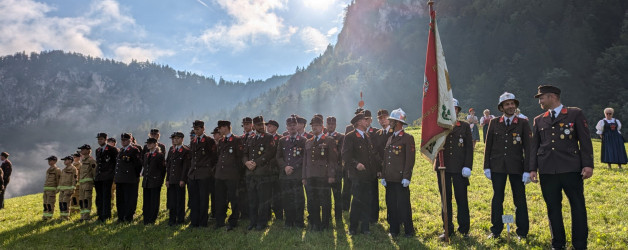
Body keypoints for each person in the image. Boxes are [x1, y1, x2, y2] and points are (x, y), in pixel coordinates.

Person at [529, 85, 594, 250]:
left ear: (552, 97)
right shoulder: (539, 119)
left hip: (571, 169)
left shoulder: (574, 114)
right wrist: (532, 169)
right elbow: (534, 146)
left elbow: (585, 141)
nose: (540, 102)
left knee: (578, 207)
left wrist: (587, 165)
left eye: (541, 98)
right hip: (547, 170)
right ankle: (557, 244)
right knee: (553, 208)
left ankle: (579, 245)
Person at [484, 92, 530, 240]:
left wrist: (528, 169)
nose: (510, 106)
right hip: (497, 166)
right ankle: (496, 230)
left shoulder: (523, 123)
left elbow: (528, 148)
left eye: (512, 103)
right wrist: (486, 166)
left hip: (517, 167)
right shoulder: (494, 122)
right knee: (497, 198)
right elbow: (488, 146)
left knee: (520, 199)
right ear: (501, 107)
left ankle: (522, 232)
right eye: (507, 104)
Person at [435, 99, 473, 240]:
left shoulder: (464, 126)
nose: (452, 111)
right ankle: (447, 228)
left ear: (457, 110)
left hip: (459, 168)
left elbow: (469, 148)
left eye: (454, 108)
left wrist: (468, 166)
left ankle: (464, 229)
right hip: (442, 166)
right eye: (449, 108)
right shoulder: (438, 126)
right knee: (445, 199)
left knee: (461, 199)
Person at [342, 112, 381, 235]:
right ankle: (353, 228)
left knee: (367, 201)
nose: (367, 122)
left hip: (368, 175)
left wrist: (377, 170)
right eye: (364, 120)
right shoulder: (350, 136)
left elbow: (371, 157)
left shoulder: (367, 136)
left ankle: (365, 227)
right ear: (358, 122)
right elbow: (346, 155)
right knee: (357, 201)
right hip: (357, 176)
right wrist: (356, 164)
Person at [380, 108, 415, 238]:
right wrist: (384, 175)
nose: (389, 122)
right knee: (391, 205)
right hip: (390, 178)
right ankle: (394, 229)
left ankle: (409, 230)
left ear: (398, 122)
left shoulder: (407, 138)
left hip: (400, 178)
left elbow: (409, 160)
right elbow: (386, 159)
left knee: (404, 205)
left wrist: (407, 177)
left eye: (392, 120)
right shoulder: (390, 138)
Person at [302, 116, 338, 231]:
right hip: (311, 175)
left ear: (322, 127)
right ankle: (315, 223)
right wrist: (304, 176)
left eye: (316, 126)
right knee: (312, 200)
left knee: (325, 200)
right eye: (312, 126)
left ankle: (325, 223)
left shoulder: (329, 140)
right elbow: (305, 161)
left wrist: (332, 175)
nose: (314, 128)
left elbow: (333, 160)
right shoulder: (308, 141)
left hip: (324, 175)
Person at [242, 116, 277, 231]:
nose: (262, 127)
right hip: (250, 174)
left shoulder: (268, 137)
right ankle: (253, 221)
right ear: (254, 126)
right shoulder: (250, 138)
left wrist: (255, 163)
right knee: (252, 199)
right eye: (258, 125)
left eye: (262, 124)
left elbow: (269, 153)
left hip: (263, 173)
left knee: (263, 199)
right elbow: (244, 153)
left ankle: (262, 222)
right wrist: (246, 162)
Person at [276, 115, 306, 229]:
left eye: (294, 125)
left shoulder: (303, 140)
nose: (292, 127)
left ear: (297, 126)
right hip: (285, 175)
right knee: (287, 199)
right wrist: (285, 167)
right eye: (290, 125)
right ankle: (289, 221)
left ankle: (299, 222)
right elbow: (278, 157)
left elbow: (304, 157)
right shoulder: (282, 140)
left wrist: (293, 167)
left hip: (297, 175)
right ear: (287, 127)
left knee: (298, 199)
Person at [214, 121, 243, 231]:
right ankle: (220, 221)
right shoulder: (221, 141)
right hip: (220, 175)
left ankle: (233, 221)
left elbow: (239, 158)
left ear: (225, 128)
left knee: (233, 198)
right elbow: (219, 156)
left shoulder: (236, 140)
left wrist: (236, 173)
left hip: (232, 175)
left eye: (220, 128)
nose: (219, 130)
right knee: (220, 198)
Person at [188, 120, 218, 228]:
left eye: (198, 129)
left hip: (204, 174)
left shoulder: (209, 141)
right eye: (195, 129)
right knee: (194, 199)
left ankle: (202, 222)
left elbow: (214, 157)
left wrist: (209, 170)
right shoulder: (193, 141)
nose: (196, 131)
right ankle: (194, 221)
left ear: (203, 129)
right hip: (193, 174)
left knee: (203, 199)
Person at [114, 133, 142, 222]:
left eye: (125, 140)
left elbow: (138, 165)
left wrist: (134, 176)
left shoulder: (134, 150)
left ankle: (128, 217)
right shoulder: (121, 150)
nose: (123, 142)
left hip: (130, 179)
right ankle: (121, 217)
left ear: (130, 140)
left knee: (129, 199)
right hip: (120, 179)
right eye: (122, 140)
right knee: (120, 200)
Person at [166, 132, 191, 226]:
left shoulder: (185, 150)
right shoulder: (171, 150)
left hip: (179, 179)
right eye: (173, 139)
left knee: (180, 200)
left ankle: (180, 219)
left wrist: (183, 179)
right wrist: (167, 179)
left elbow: (185, 167)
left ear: (181, 139)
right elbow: (169, 165)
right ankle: (171, 219)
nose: (174, 140)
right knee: (172, 201)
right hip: (172, 179)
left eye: (177, 138)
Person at [94, 132, 119, 222]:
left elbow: (115, 163)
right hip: (99, 177)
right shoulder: (98, 150)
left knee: (106, 197)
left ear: (105, 139)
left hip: (107, 177)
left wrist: (113, 174)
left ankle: (106, 215)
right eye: (98, 139)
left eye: (101, 139)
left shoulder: (112, 149)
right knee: (99, 197)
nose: (99, 141)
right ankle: (100, 215)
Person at [142, 138, 166, 225]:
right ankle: (146, 218)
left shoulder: (159, 155)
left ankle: (152, 219)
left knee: (154, 201)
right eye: (148, 143)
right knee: (146, 201)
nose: (148, 145)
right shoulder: (146, 155)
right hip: (147, 181)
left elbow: (162, 170)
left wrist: (160, 181)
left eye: (151, 143)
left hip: (155, 181)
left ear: (156, 144)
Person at [326, 116, 345, 223]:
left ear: (336, 125)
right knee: (326, 196)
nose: (331, 126)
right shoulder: (323, 137)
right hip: (325, 171)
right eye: (329, 124)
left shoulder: (341, 137)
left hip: (337, 170)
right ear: (326, 125)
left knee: (337, 195)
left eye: (333, 124)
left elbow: (340, 154)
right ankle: (327, 216)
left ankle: (338, 217)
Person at [266, 119, 284, 221]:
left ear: (275, 128)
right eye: (267, 126)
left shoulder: (280, 138)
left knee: (277, 193)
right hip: (266, 170)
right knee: (267, 193)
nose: (268, 128)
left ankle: (279, 215)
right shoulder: (265, 138)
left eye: (270, 126)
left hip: (276, 170)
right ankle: (268, 214)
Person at [78, 144, 97, 222]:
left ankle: (86, 217)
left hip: (87, 184)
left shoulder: (91, 160)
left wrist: (95, 182)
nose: (81, 151)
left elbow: (94, 172)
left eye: (83, 149)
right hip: (82, 184)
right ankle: (82, 216)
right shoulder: (83, 161)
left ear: (88, 150)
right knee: (81, 201)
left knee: (86, 200)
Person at [58, 156, 78, 220]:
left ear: (70, 160)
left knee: (65, 203)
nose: (64, 161)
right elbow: (61, 180)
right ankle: (62, 216)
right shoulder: (63, 170)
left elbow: (74, 179)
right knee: (61, 203)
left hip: (68, 189)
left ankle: (66, 217)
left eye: (65, 160)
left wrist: (72, 188)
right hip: (62, 190)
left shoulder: (73, 169)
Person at [43, 156, 61, 220]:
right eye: (48, 161)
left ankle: (49, 216)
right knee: (45, 204)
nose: (49, 162)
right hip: (46, 189)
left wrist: (58, 189)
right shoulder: (48, 170)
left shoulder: (57, 170)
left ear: (55, 161)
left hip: (52, 190)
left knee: (50, 204)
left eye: (50, 160)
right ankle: (45, 216)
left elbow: (58, 180)